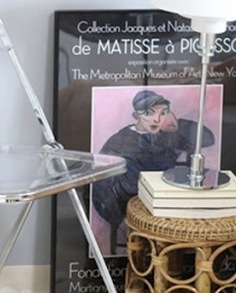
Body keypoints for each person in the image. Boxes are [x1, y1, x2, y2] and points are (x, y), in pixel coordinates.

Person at [92, 89, 215, 255]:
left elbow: (207, 138)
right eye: (149, 114)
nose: (157, 119)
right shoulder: (122, 142)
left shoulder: (166, 132)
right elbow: (109, 189)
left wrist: (175, 122)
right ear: (136, 116)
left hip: (161, 196)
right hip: (128, 201)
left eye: (163, 112)